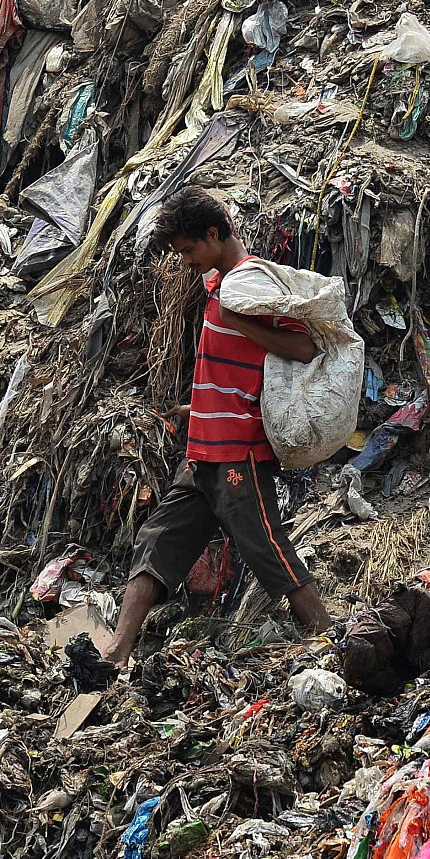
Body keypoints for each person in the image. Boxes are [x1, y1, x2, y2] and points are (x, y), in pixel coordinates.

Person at [101, 188, 334, 671]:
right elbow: (230, 369)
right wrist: (196, 408)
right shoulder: (220, 287)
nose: (186, 261)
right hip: (203, 451)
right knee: (158, 540)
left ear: (213, 234)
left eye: (189, 250)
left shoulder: (249, 286)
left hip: (238, 453)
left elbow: (306, 348)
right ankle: (117, 652)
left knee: (265, 545)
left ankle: (327, 639)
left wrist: (239, 319)